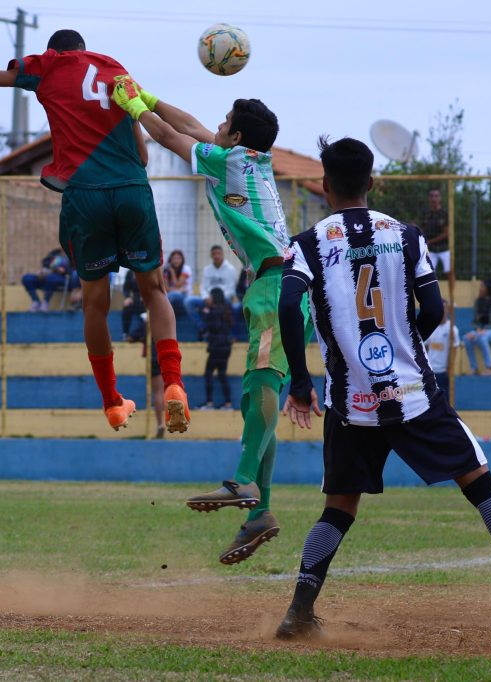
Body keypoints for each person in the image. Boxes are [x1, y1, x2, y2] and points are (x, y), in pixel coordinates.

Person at [274, 136, 491, 640]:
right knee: (479, 484)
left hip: (350, 402)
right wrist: (403, 346)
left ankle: (298, 612)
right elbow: (433, 311)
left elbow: (288, 306)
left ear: (324, 187)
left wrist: (301, 383)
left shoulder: (306, 244)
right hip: (412, 394)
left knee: (339, 506)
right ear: (372, 182)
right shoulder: (407, 236)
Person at [0, 27, 188, 434]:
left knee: (94, 303)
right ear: (86, 50)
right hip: (131, 191)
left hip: (84, 195)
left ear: (54, 50)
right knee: (154, 290)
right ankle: (174, 383)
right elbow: (141, 153)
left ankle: (112, 402)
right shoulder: (113, 69)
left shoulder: (46, 67)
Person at [113, 80, 302, 562]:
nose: (215, 125)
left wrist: (134, 108)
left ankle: (242, 481)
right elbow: (194, 126)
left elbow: (174, 139)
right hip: (280, 282)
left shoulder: (229, 160)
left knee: (258, 383)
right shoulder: (246, 159)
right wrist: (148, 98)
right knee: (261, 388)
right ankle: (260, 513)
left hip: (275, 283)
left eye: (226, 122)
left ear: (236, 137)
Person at [185, 245, 238, 340]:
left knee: (232, 306)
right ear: (211, 255)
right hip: (208, 299)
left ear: (222, 254)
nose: (216, 256)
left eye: (218, 253)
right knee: (188, 301)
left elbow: (231, 290)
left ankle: (230, 334)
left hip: (224, 300)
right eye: (214, 254)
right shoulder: (207, 270)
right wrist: (205, 297)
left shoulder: (230, 269)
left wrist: (215, 299)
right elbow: (203, 288)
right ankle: (203, 328)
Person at [463, 278, 491, 375]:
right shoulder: (478, 301)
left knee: (482, 337)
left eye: (482, 286)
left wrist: (484, 330)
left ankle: (489, 368)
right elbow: (474, 322)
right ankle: (474, 369)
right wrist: (477, 329)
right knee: (466, 338)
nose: (480, 288)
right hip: (481, 331)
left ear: (489, 288)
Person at [200, 287, 233, 410]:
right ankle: (228, 404)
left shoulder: (213, 311)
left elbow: (212, 327)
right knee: (222, 374)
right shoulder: (226, 309)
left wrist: (205, 313)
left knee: (208, 374)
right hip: (226, 347)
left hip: (216, 347)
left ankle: (209, 403)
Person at [22, 247, 80, 312]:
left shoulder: (74, 256)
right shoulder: (54, 253)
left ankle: (45, 303)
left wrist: (64, 270)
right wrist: (42, 271)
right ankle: (35, 301)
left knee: (51, 278)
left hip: (62, 277)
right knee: (27, 278)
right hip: (46, 274)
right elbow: (45, 262)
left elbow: (76, 271)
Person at [425, 300, 459, 403]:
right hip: (430, 372)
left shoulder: (452, 329)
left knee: (444, 401)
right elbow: (425, 347)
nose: (443, 311)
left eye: (445, 308)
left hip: (443, 372)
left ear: (448, 310)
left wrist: (450, 368)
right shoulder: (430, 327)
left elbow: (455, 349)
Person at [420, 188, 450, 275]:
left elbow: (446, 234)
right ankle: (433, 288)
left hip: (444, 248)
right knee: (429, 272)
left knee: (450, 271)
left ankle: (453, 289)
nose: (434, 198)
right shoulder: (425, 214)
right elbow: (422, 229)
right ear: (429, 199)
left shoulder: (444, 214)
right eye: (432, 196)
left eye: (436, 196)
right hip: (430, 249)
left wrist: (429, 241)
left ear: (440, 198)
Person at [121, 270, 146, 342]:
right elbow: (126, 288)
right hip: (134, 299)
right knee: (127, 308)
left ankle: (134, 336)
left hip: (146, 300)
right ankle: (125, 334)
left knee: (146, 318)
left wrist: (146, 295)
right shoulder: (130, 272)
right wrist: (127, 297)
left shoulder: (148, 269)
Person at [163, 249, 191, 314]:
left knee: (172, 295)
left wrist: (172, 272)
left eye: (178, 258)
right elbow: (166, 288)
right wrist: (179, 290)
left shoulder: (186, 269)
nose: (176, 261)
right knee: (168, 296)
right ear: (170, 260)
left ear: (182, 259)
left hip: (185, 296)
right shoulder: (166, 270)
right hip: (171, 295)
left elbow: (177, 284)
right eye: (174, 258)